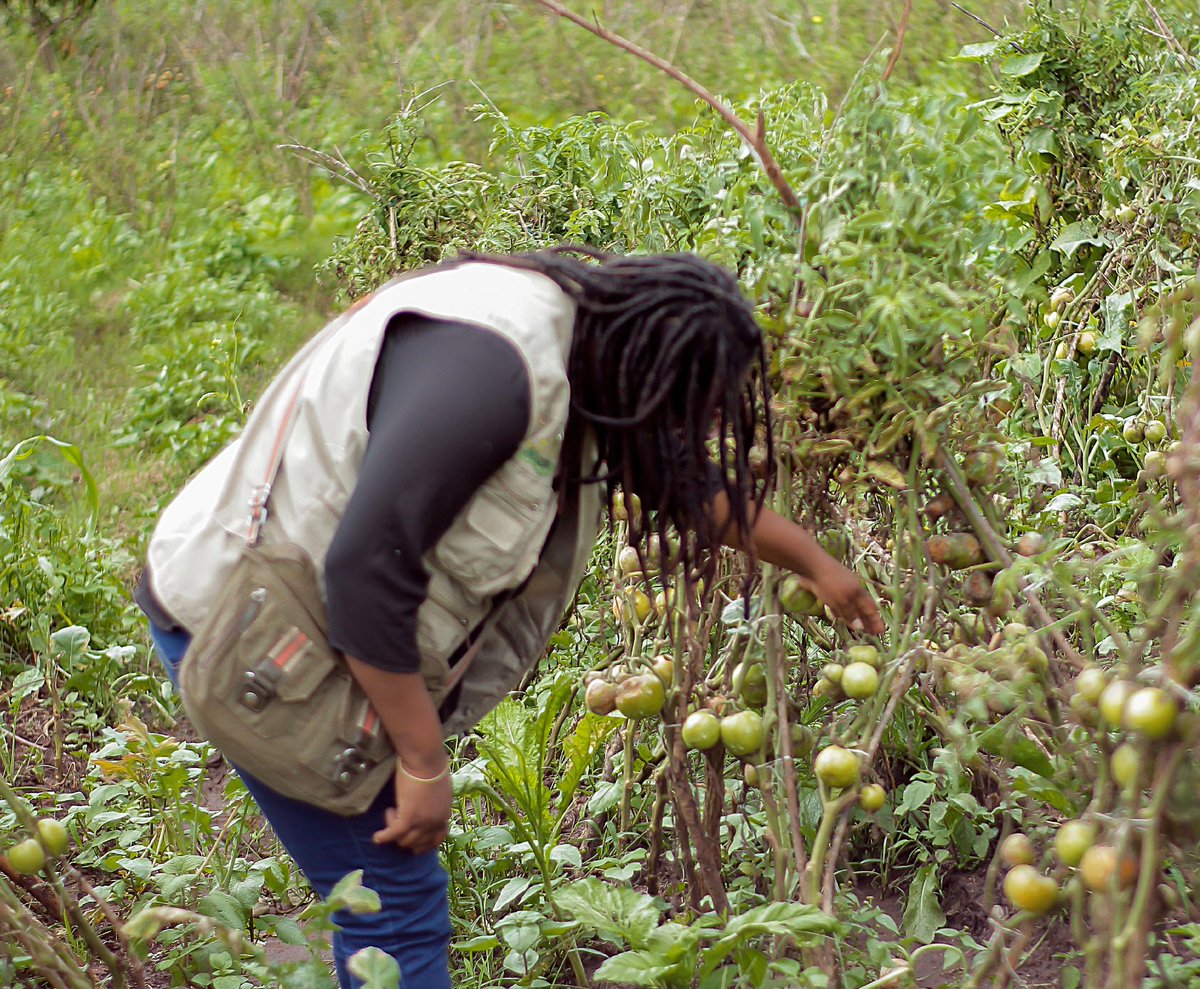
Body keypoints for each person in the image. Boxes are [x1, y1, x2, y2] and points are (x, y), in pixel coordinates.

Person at [135, 247, 884, 988]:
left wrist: (815, 563)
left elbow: (674, 478)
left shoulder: (583, 345)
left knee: (389, 904)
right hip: (245, 627)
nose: (690, 426)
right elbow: (365, 572)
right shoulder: (491, 371)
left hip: (303, 623)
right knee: (392, 910)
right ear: (648, 363)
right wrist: (422, 762)